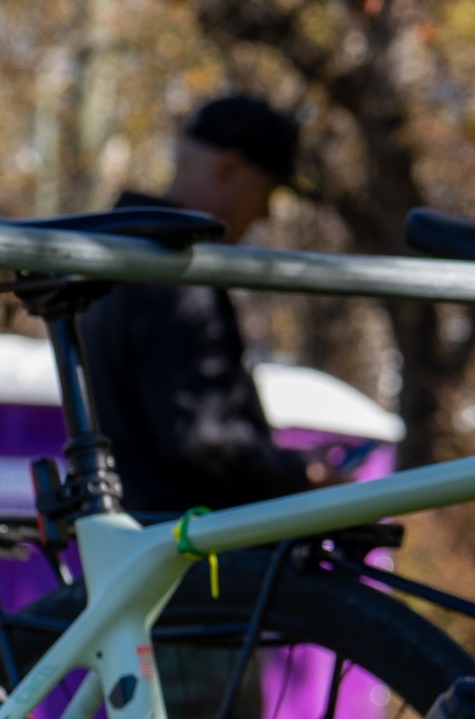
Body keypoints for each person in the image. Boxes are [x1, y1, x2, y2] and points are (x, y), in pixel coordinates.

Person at [80, 95, 335, 515]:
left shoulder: (116, 252)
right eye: (266, 192)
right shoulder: (174, 277)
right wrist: (300, 475)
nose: (267, 214)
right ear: (229, 168)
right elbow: (203, 437)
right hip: (195, 548)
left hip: (140, 539)